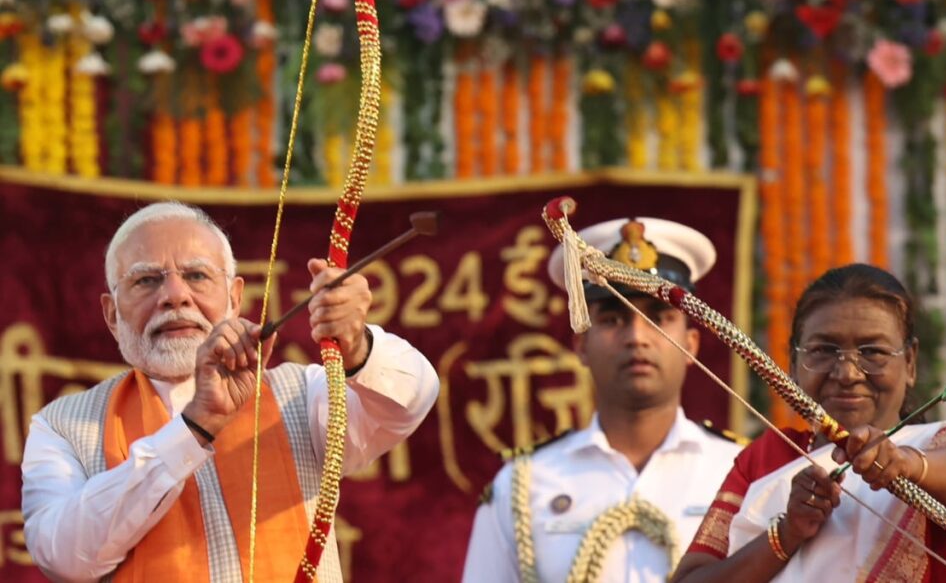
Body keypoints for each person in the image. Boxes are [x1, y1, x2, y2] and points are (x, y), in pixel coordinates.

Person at [21, 201, 440, 582]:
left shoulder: (299, 394)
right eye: (146, 280)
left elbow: (410, 399)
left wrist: (356, 344)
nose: (174, 296)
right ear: (112, 315)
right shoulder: (64, 427)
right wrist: (196, 426)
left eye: (197, 276)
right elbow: (63, 556)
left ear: (235, 299)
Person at [672, 263, 946, 583]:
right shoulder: (768, 455)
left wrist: (903, 463)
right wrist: (787, 533)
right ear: (793, 364)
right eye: (823, 351)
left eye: (872, 352)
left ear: (911, 363)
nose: (847, 373)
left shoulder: (938, 448)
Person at [462, 217, 743, 583]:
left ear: (691, 344)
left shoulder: (741, 472)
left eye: (658, 319)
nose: (637, 338)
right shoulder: (524, 484)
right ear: (580, 345)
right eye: (613, 319)